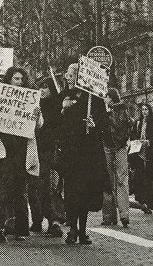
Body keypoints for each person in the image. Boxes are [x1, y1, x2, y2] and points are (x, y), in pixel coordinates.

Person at [0, 67, 41, 242]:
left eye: (21, 79)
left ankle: (20, 229)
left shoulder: (30, 100)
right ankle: (1, 226)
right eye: (15, 78)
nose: (19, 82)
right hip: (3, 152)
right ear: (8, 80)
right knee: (2, 191)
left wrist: (37, 116)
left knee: (19, 191)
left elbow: (38, 126)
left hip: (21, 152)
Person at [58, 62, 109, 245]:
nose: (68, 78)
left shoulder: (93, 99)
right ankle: (72, 227)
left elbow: (104, 124)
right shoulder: (64, 97)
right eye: (68, 75)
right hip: (71, 152)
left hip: (89, 152)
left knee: (86, 191)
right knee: (72, 190)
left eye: (72, 75)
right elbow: (57, 124)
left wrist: (94, 125)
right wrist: (63, 109)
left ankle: (82, 229)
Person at [28, 78, 64, 237]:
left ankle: (53, 219)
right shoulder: (35, 105)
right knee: (33, 185)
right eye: (40, 88)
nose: (42, 91)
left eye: (45, 88)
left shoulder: (58, 107)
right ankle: (37, 219)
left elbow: (59, 128)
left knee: (47, 185)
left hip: (48, 150)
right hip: (33, 148)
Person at [100, 88, 132, 228]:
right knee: (108, 180)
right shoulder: (104, 111)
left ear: (111, 98)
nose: (104, 99)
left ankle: (123, 214)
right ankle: (109, 215)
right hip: (109, 145)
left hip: (118, 146)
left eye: (105, 97)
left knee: (121, 179)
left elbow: (120, 126)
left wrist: (108, 114)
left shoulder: (121, 110)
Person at [131, 103, 153, 214]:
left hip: (149, 153)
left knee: (149, 178)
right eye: (142, 109)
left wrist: (148, 141)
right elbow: (133, 135)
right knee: (140, 178)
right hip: (139, 153)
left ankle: (148, 203)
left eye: (146, 109)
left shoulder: (151, 123)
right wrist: (135, 141)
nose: (144, 111)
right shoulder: (138, 122)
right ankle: (143, 201)